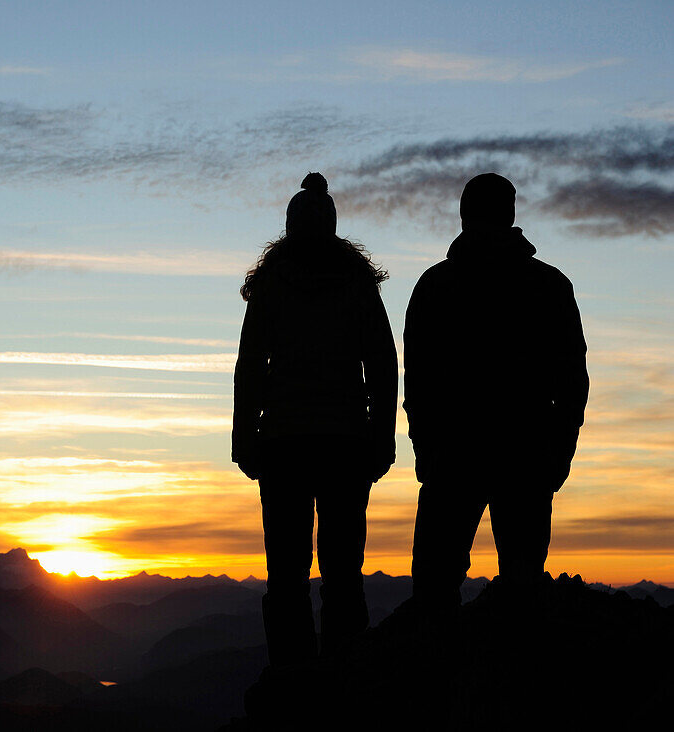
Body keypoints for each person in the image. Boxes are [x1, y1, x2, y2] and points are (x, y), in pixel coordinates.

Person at [404, 173, 589, 615]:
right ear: (510, 214)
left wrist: (426, 446)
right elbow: (572, 380)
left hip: (459, 456)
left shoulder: (435, 286)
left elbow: (417, 382)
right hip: (522, 455)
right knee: (519, 592)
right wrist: (559, 451)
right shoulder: (549, 285)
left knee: (435, 592)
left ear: (464, 214)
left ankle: (437, 679)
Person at [233, 172, 397, 666]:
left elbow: (250, 367)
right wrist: (381, 439)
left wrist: (246, 439)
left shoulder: (271, 283)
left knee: (286, 574)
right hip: (346, 442)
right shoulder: (357, 282)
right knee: (343, 571)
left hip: (284, 443)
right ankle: (344, 679)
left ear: (289, 225)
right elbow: (383, 364)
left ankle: (292, 683)